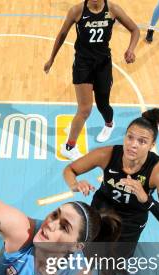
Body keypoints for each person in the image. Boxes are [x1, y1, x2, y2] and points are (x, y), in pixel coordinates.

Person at [62, 108, 159, 275]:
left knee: (109, 266)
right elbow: (70, 170)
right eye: (130, 137)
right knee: (86, 256)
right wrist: (74, 184)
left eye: (142, 141)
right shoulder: (107, 154)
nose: (133, 144)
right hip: (101, 216)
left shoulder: (158, 171)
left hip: (129, 226)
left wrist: (147, 200)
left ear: (152, 145)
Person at [44, 0, 140, 159]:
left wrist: (131, 49)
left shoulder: (113, 9)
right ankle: (68, 147)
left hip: (103, 65)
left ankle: (109, 124)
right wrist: (51, 59)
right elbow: (62, 34)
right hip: (83, 65)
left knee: (103, 104)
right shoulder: (77, 11)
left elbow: (135, 30)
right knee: (84, 109)